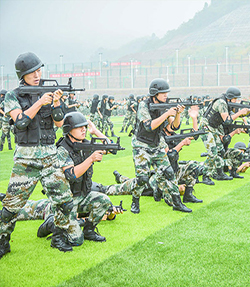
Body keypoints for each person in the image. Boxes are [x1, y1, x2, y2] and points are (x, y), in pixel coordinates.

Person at [0, 52, 75, 258]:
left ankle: (58, 236)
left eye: (39, 70)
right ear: (22, 75)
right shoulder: (12, 96)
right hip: (25, 160)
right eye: (32, 72)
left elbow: (60, 123)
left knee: (65, 202)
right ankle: (3, 241)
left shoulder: (49, 93)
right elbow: (20, 121)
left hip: (50, 158)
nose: (37, 74)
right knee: (10, 207)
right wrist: (40, 102)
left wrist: (57, 103)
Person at [37, 111, 114, 246]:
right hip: (67, 201)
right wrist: (90, 159)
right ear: (69, 130)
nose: (83, 129)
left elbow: (111, 147)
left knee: (104, 200)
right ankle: (51, 222)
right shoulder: (62, 149)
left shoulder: (86, 144)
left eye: (84, 126)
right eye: (80, 127)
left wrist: (95, 131)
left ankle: (89, 231)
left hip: (82, 195)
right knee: (76, 241)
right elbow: (71, 174)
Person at [130, 78, 191, 214]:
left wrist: (178, 114)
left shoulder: (165, 105)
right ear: (154, 93)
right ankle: (135, 200)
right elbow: (149, 126)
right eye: (163, 93)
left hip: (157, 144)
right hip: (141, 145)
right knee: (142, 178)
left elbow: (174, 126)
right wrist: (167, 114)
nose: (166, 95)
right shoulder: (144, 105)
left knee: (169, 173)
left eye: (166, 93)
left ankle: (177, 203)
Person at [199, 86, 250, 182]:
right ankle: (205, 176)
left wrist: (249, 111)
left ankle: (223, 173)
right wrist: (240, 112)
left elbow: (235, 115)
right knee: (213, 153)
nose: (236, 101)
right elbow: (228, 121)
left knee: (221, 151)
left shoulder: (227, 102)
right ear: (230, 97)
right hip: (206, 128)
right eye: (235, 98)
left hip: (213, 128)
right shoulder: (221, 103)